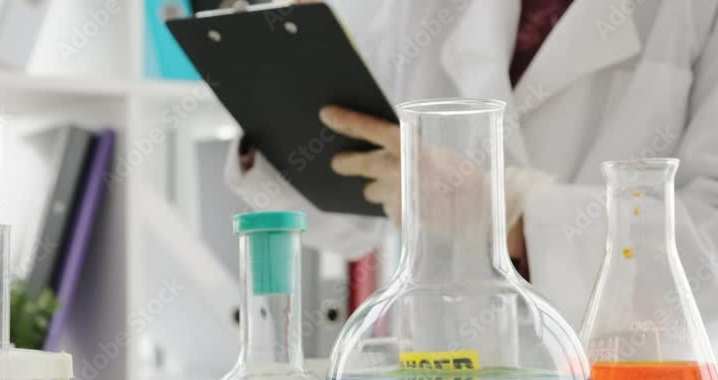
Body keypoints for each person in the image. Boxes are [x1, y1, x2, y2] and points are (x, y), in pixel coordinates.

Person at [227, 0, 718, 330]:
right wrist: (278, 108)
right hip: (452, 378)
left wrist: (511, 215)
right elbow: (352, 219)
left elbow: (710, 247)